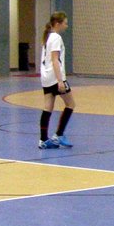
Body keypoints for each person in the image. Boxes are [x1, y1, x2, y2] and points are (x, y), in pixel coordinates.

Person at [39, 11, 75, 149]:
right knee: (70, 104)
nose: (66, 26)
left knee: (47, 107)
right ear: (58, 23)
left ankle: (43, 139)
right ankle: (59, 134)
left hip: (46, 77)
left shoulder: (48, 36)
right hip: (55, 77)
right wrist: (60, 81)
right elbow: (55, 60)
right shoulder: (56, 38)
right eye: (65, 23)